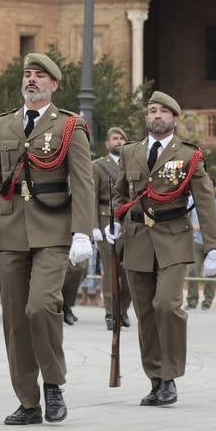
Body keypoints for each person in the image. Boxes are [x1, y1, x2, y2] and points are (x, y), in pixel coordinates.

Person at [0, 53, 94, 425]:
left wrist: (82, 231)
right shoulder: (2, 125)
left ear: (54, 85)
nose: (31, 80)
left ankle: (54, 384)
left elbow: (83, 181)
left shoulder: (70, 127)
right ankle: (28, 401)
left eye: (39, 76)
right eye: (27, 75)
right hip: (11, 231)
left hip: (52, 230)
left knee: (41, 306)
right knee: (14, 318)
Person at [109, 92, 216, 407]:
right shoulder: (130, 152)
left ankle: (170, 376)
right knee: (145, 311)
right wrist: (116, 220)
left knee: (166, 305)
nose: (156, 116)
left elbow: (205, 202)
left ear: (175, 118)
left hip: (173, 239)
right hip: (137, 240)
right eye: (151, 111)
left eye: (163, 112)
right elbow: (118, 193)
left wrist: (214, 247)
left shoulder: (188, 155)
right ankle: (155, 378)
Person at [94, 127, 132, 329]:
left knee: (129, 272)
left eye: (122, 139)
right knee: (110, 271)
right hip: (105, 221)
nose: (119, 142)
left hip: (129, 223)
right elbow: (90, 197)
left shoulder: (134, 165)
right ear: (108, 144)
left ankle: (123, 309)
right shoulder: (99, 166)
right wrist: (93, 226)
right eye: (115, 139)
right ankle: (111, 314)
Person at [185, 190, 216, 310]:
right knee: (192, 270)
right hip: (196, 241)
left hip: (213, 243)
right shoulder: (193, 200)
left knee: (212, 273)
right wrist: (191, 226)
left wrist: (202, 227)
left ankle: (208, 301)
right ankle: (192, 301)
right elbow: (185, 215)